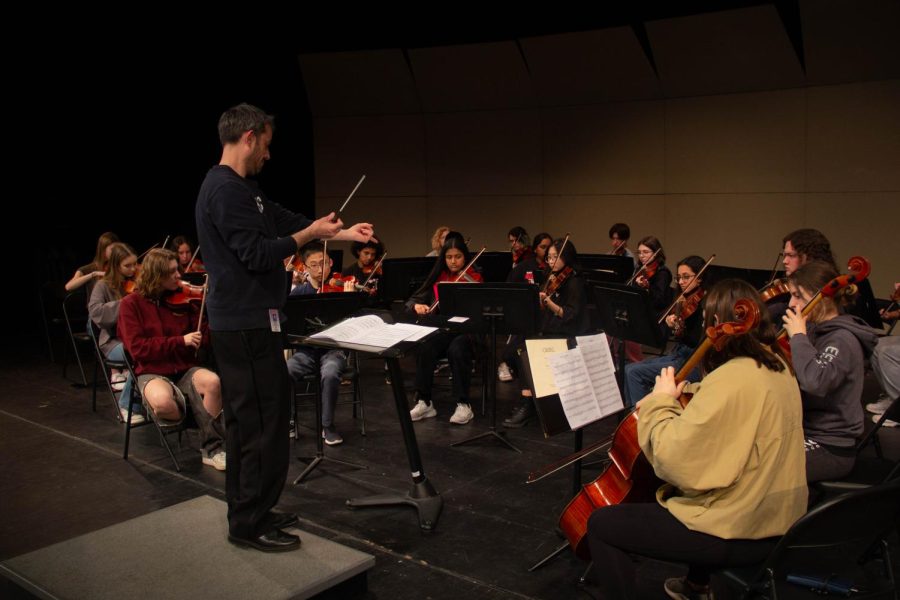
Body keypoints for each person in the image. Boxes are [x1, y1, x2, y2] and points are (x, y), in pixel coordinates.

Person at [195, 103, 374, 552]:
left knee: (257, 421)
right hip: (243, 324)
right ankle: (248, 523)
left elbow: (281, 220)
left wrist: (338, 233)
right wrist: (308, 233)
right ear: (251, 137)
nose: (269, 156)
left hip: (254, 322)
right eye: (267, 146)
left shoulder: (244, 190)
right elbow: (258, 254)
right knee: (258, 424)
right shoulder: (223, 190)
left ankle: (254, 507)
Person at [586, 280, 807, 600]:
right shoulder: (775, 364)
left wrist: (660, 403)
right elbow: (728, 404)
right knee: (707, 487)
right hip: (779, 517)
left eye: (707, 321)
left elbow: (673, 460)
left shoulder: (730, 379)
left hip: (739, 529)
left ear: (718, 325)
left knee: (603, 525)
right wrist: (684, 394)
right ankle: (698, 586)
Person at [116, 249, 226, 471]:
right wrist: (179, 341)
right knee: (163, 403)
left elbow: (204, 339)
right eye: (172, 272)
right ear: (156, 276)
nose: (180, 276)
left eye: (178, 270)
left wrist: (213, 314)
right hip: (152, 370)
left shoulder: (183, 300)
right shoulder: (131, 304)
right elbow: (138, 349)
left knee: (213, 382)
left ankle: (213, 448)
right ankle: (201, 416)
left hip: (184, 368)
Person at [782, 261, 880, 482]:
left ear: (822, 297)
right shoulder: (816, 330)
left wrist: (798, 337)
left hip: (831, 445)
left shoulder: (842, 339)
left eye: (798, 295)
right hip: (806, 431)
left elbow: (816, 382)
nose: (791, 303)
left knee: (764, 468)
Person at [503, 238, 589, 427]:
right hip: (550, 329)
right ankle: (533, 397)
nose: (551, 262)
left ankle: (528, 403)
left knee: (527, 349)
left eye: (555, 257)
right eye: (549, 257)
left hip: (567, 334)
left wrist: (549, 303)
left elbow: (570, 315)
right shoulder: (551, 276)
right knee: (513, 349)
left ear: (566, 258)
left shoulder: (574, 281)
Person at [407, 234, 483, 425]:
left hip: (467, 332)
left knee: (457, 349)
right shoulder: (439, 276)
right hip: (444, 329)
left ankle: (463, 404)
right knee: (425, 345)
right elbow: (412, 300)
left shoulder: (474, 277)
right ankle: (424, 401)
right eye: (449, 257)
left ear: (465, 257)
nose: (453, 261)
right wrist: (417, 306)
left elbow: (481, 310)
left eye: (457, 257)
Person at [623, 255, 706, 407]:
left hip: (692, 363)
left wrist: (679, 329)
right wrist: (674, 327)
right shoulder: (682, 299)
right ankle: (632, 417)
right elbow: (672, 338)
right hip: (678, 354)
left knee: (633, 373)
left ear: (700, 278)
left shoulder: (706, 303)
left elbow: (698, 342)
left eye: (686, 277)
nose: (681, 282)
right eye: (679, 278)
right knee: (628, 368)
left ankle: (642, 421)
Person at [287, 243, 349, 445]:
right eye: (313, 265)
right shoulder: (298, 295)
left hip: (334, 350)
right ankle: (288, 420)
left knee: (330, 372)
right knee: (284, 371)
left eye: (324, 263)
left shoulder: (339, 290)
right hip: (306, 351)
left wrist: (349, 299)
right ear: (304, 267)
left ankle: (328, 426)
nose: (320, 270)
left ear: (331, 263)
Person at [88, 242, 142, 423]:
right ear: (115, 266)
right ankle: (126, 405)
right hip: (113, 342)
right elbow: (96, 313)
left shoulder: (136, 284)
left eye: (135, 264)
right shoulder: (102, 286)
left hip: (135, 338)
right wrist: (124, 304)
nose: (133, 269)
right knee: (138, 354)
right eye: (128, 266)